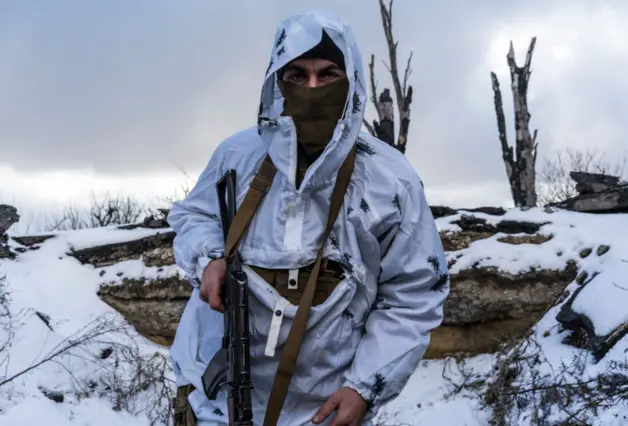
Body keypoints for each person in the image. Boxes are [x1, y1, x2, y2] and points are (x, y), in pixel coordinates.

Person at [168, 9, 449, 426]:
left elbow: (413, 295)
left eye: (328, 75)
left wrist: (365, 389)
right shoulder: (238, 155)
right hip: (214, 403)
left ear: (350, 79)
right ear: (277, 80)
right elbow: (194, 215)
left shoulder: (390, 180)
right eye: (297, 75)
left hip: (323, 415)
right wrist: (208, 256)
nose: (313, 88)